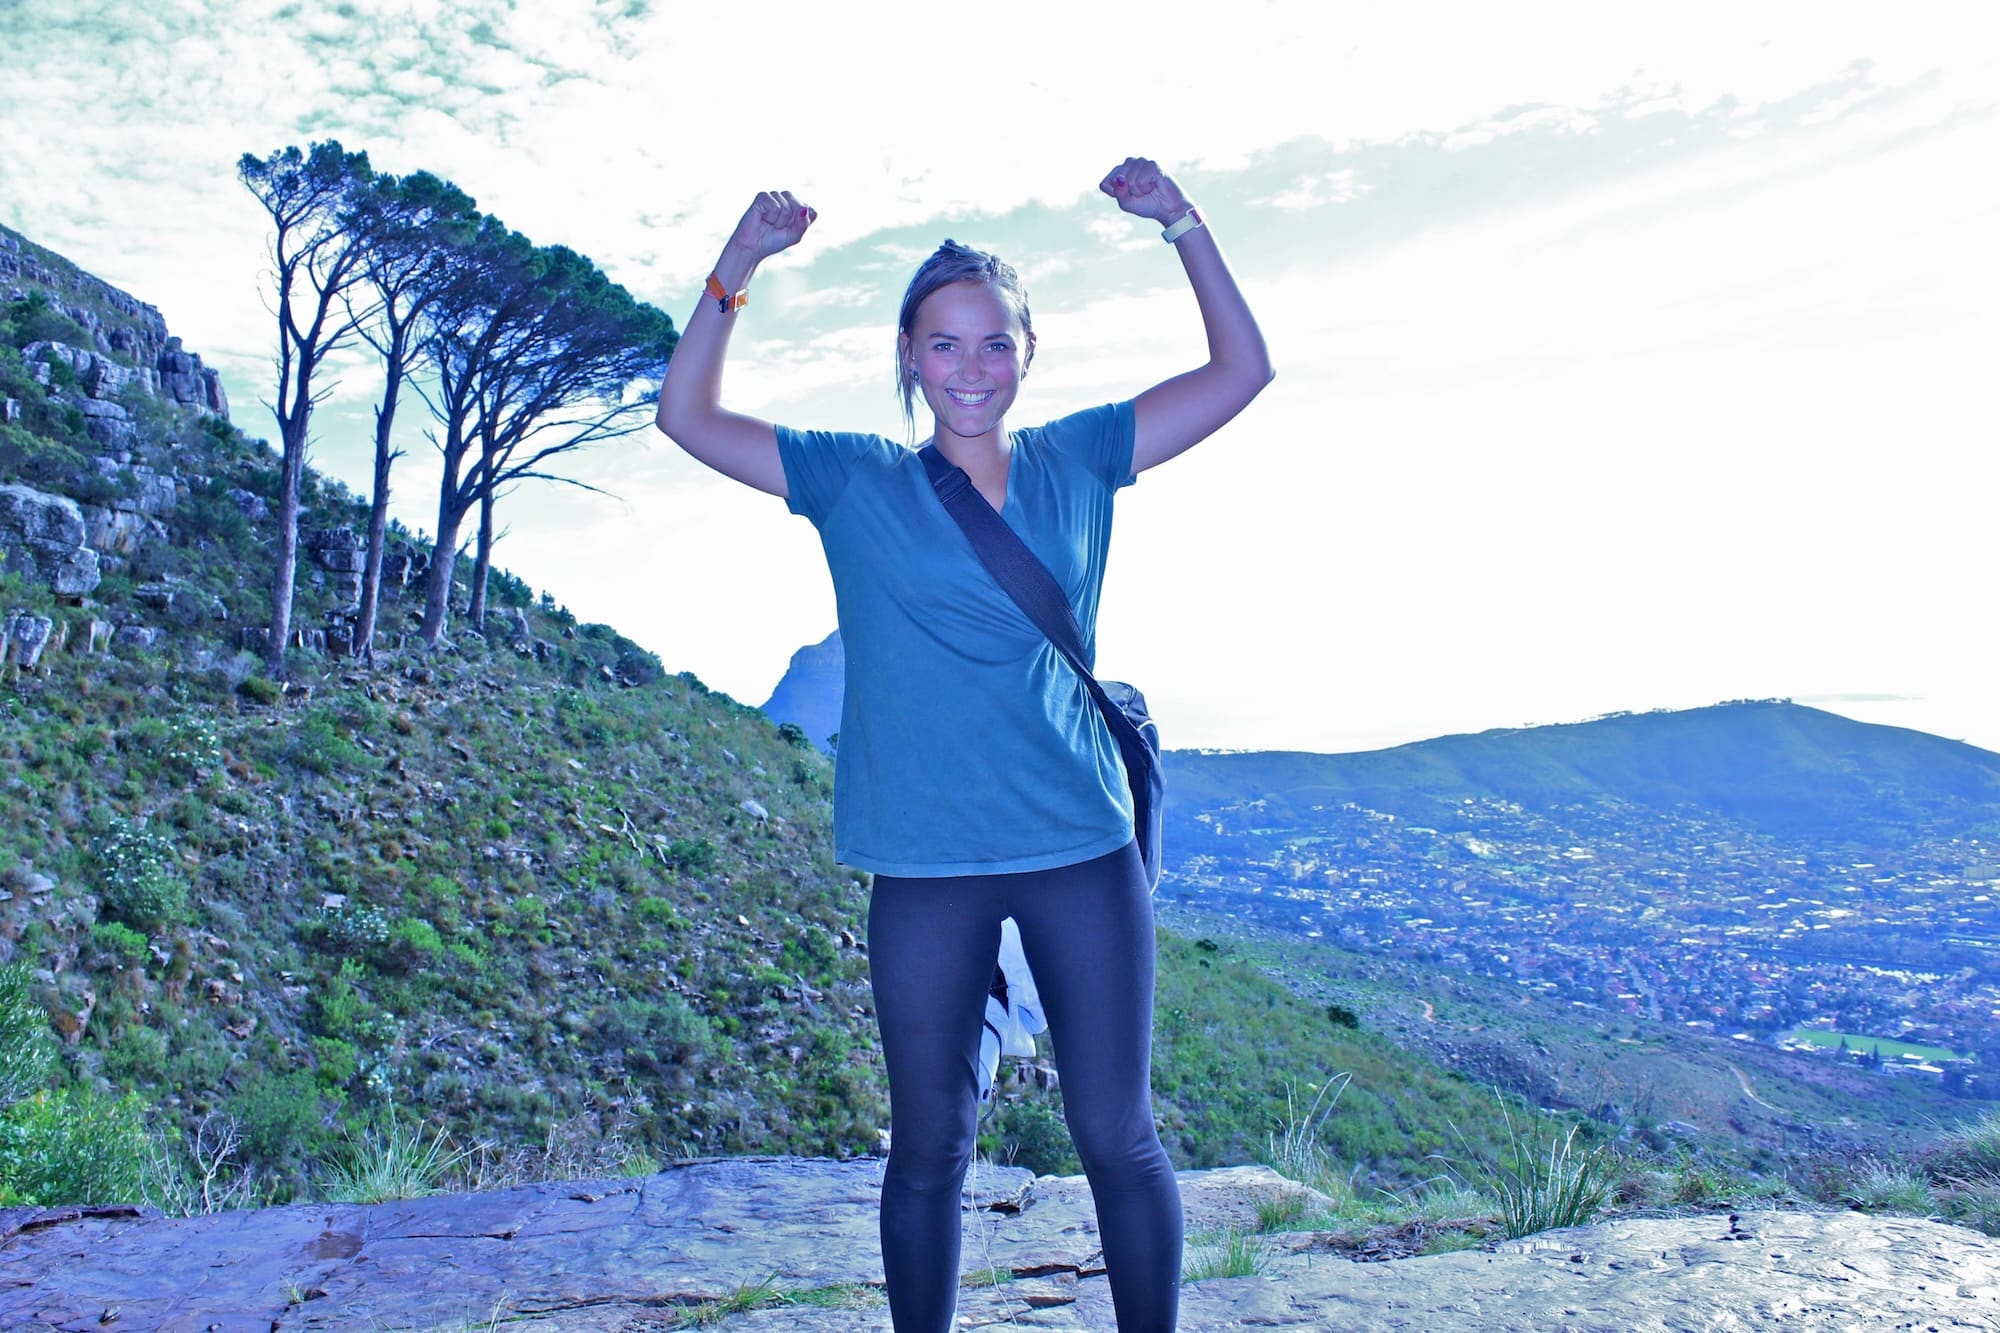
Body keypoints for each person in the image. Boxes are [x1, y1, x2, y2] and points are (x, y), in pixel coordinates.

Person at [655, 156, 1272, 1332]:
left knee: (1116, 1134)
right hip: (925, 860)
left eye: (994, 343)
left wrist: (1181, 223)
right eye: (943, 344)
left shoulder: (1079, 457)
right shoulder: (854, 479)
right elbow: (683, 417)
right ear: (907, 356)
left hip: (1077, 843)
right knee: (929, 1143)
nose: (970, 367)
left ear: (1027, 353)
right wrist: (736, 267)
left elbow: (1241, 370)